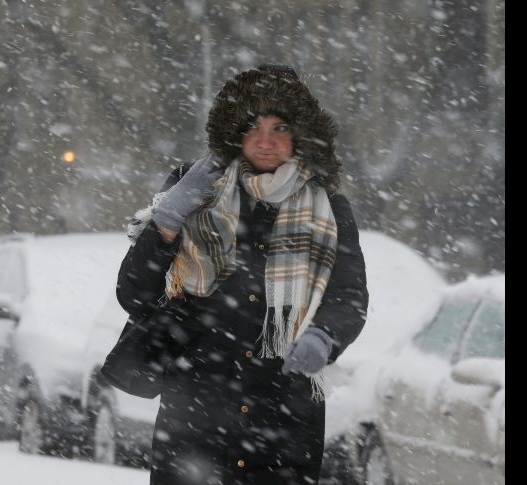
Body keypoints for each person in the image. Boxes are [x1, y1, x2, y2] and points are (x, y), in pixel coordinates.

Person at [113, 64, 369, 484]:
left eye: (279, 127)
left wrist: (325, 336)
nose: (265, 140)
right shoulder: (194, 187)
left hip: (284, 418)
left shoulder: (329, 208)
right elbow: (135, 294)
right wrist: (167, 220)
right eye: (252, 126)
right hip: (195, 412)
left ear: (299, 135)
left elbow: (349, 297)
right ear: (234, 131)